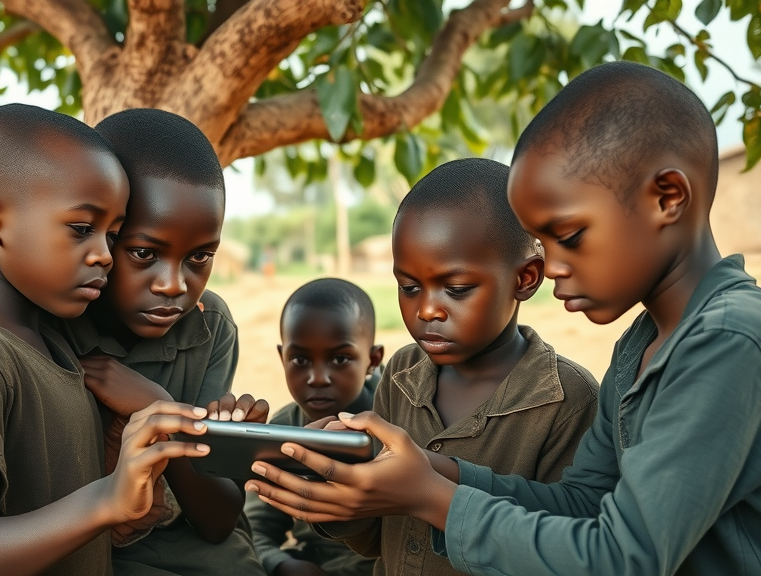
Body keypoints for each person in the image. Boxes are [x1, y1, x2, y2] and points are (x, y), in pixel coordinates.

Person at [245, 61, 761, 576]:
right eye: (543, 241)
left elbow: (624, 557)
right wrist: (424, 471)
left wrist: (430, 496)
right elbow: (582, 504)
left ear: (667, 197)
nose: (552, 265)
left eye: (568, 237)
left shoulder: (728, 339)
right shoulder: (642, 343)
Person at [0, 104, 215, 576]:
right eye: (82, 229)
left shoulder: (53, 347)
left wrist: (131, 497)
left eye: (113, 235)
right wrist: (107, 498)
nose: (104, 256)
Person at [251, 158, 600, 575]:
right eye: (409, 287)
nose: (428, 310)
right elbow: (380, 538)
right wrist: (335, 502)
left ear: (525, 279)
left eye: (456, 289)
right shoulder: (400, 374)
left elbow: (565, 545)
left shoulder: (566, 400)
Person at [57, 107, 267, 576]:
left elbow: (218, 520)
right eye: (144, 253)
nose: (174, 285)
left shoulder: (208, 327)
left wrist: (157, 406)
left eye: (200, 257)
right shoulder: (53, 327)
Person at [246, 278, 384, 576]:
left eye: (339, 359)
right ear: (282, 358)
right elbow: (254, 529)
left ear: (373, 360)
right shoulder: (285, 429)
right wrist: (283, 564)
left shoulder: (399, 416)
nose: (317, 378)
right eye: (299, 359)